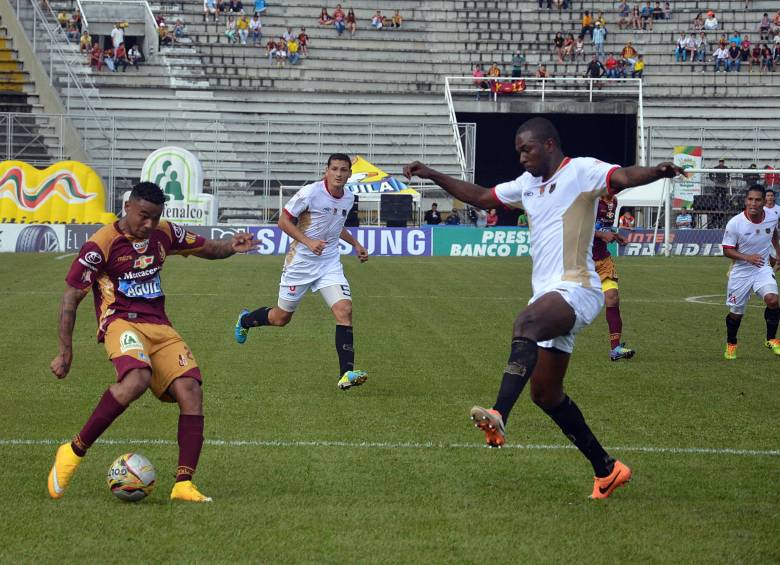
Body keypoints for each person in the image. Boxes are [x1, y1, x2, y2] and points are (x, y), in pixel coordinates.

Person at [402, 117, 683, 499]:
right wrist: (431, 173)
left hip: (578, 288)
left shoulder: (582, 171)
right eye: (518, 150)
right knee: (546, 395)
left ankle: (499, 414)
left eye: (526, 149)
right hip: (548, 295)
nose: (521, 157)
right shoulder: (526, 186)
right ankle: (607, 470)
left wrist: (656, 172)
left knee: (526, 323)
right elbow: (482, 197)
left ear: (549, 144)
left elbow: (622, 178)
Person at [47, 182, 257, 503]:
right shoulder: (100, 245)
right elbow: (70, 298)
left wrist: (231, 245)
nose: (148, 225)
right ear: (128, 206)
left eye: (155, 218)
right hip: (120, 321)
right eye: (143, 216)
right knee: (137, 378)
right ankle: (73, 451)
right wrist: (65, 352)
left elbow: (206, 248)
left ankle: (183, 484)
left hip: (159, 324)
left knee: (191, 390)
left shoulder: (164, 232)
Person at [234, 154, 370, 390]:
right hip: (300, 263)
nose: (339, 174)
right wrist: (308, 242)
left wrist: (356, 244)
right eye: (335, 169)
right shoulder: (310, 193)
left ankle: (346, 374)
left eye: (344, 170)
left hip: (328, 263)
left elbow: (336, 226)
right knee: (281, 318)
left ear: (350, 174)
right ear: (326, 171)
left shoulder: (348, 197)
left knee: (344, 309)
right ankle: (245, 320)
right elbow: (283, 221)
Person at [722, 185, 780, 359]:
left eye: (757, 200)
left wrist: (778, 252)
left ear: (764, 201)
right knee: (736, 313)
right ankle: (731, 343)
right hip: (741, 271)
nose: (753, 203)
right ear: (745, 200)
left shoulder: (772, 217)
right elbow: (727, 250)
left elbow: (774, 233)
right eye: (750, 199)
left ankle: (771, 339)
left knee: (773, 299)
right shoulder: (735, 223)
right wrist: (747, 258)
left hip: (762, 267)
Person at [593, 195, 635, 360]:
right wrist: (601, 235)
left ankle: (615, 348)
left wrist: (615, 236)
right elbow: (575, 227)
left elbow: (603, 227)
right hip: (580, 261)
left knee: (612, 298)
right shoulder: (590, 198)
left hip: (603, 260)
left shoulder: (614, 201)